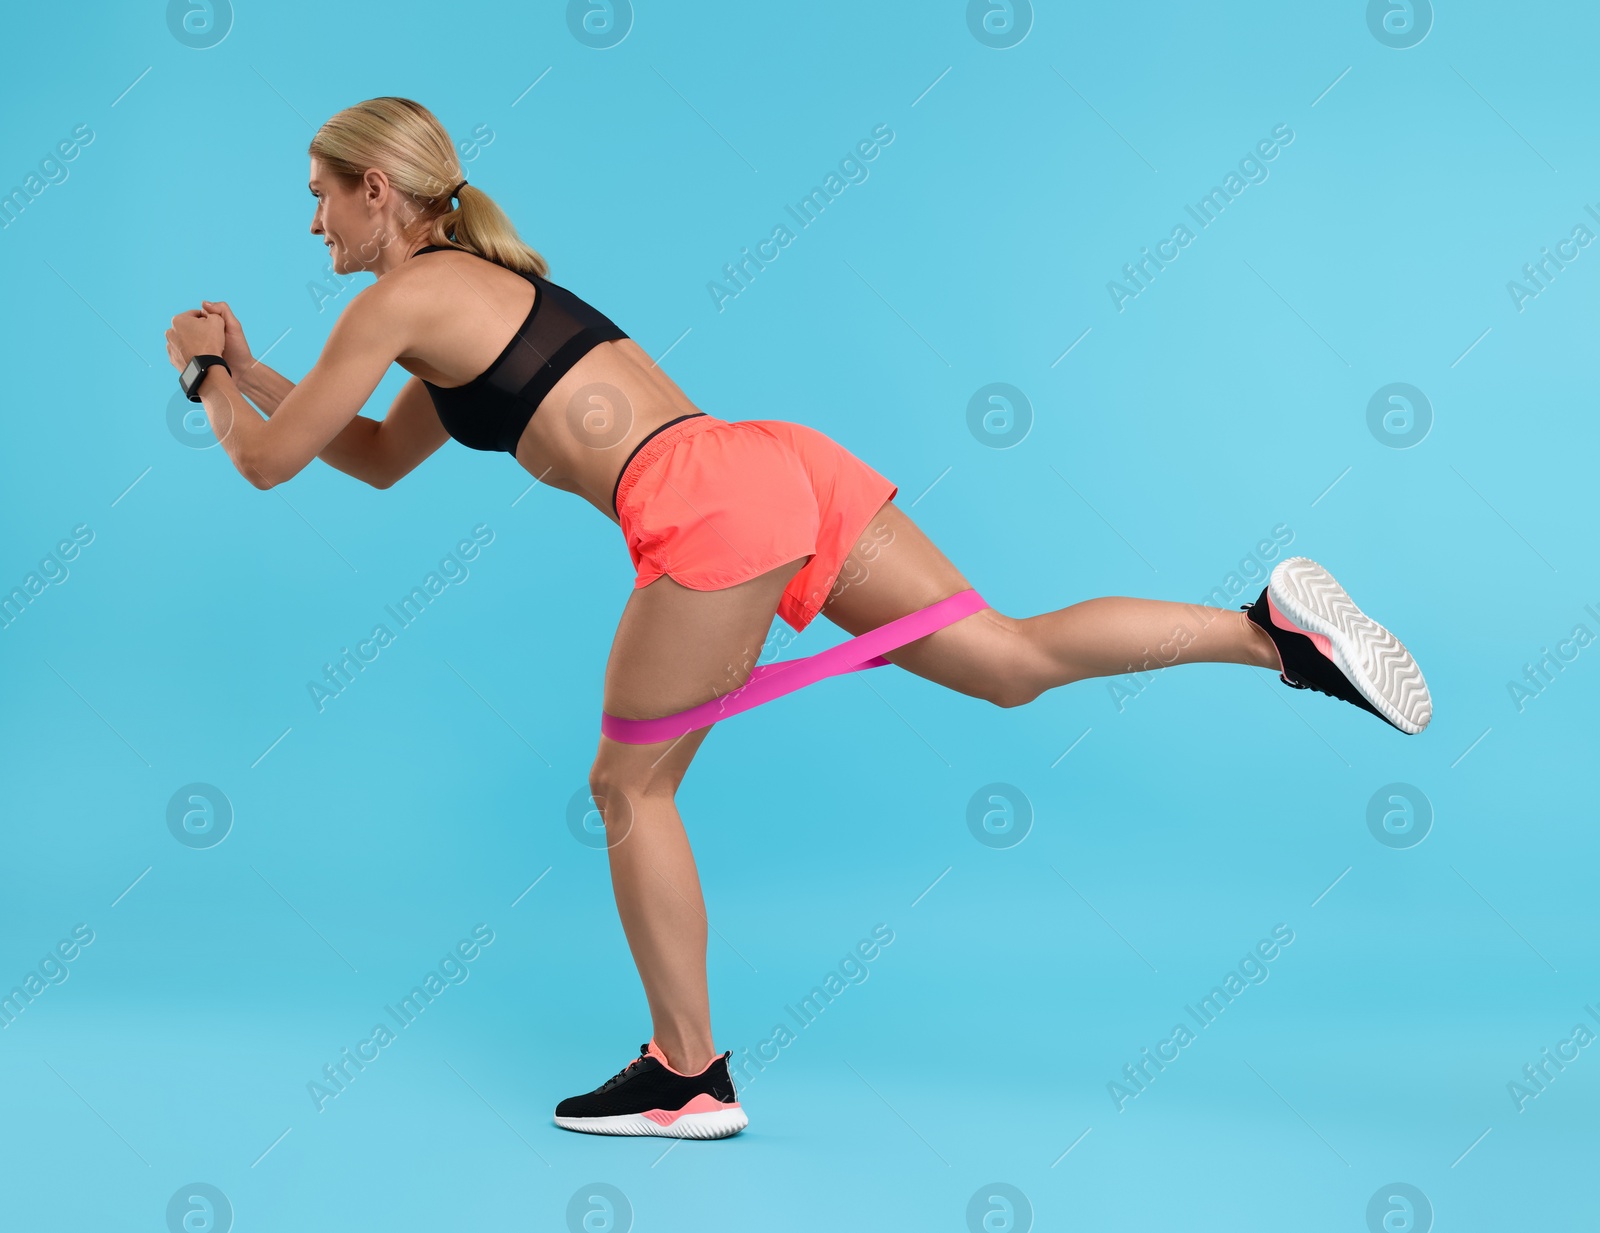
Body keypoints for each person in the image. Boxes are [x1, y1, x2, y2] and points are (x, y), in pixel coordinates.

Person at [163, 96, 1432, 1141]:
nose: (312, 218)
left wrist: (205, 375)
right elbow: (378, 452)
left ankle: (687, 1075)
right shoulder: (477, 292)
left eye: (321, 192)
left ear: (377, 191)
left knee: (629, 794)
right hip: (772, 461)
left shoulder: (396, 302)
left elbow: (268, 465)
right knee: (1008, 660)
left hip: (704, 510)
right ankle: (1271, 633)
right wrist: (257, 371)